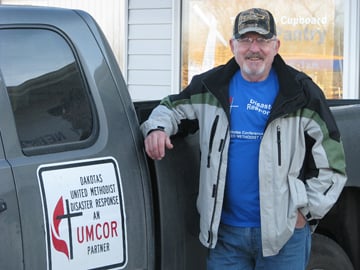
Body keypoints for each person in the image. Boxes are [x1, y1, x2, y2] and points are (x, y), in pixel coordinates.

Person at [141, 7, 347, 270]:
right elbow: (171, 108)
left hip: (283, 237)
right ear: (232, 45)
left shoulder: (300, 93)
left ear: (276, 45)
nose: (254, 48)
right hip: (226, 238)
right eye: (246, 40)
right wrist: (157, 129)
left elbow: (333, 162)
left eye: (262, 39)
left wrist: (304, 214)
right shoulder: (210, 88)